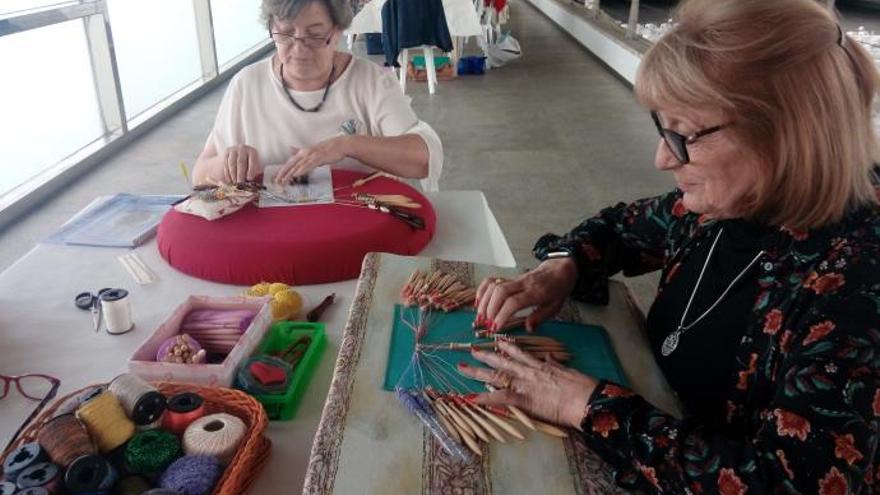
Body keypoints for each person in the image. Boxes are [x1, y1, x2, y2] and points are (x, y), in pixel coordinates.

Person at [460, 0, 880, 493]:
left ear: (784, 136)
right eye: (663, 130)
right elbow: (618, 229)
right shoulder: (723, 208)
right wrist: (562, 266)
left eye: (683, 136)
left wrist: (586, 405)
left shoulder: (857, 285)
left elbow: (784, 481)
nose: (662, 158)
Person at [192, 0, 443, 190]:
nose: (299, 48)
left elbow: (422, 159)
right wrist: (227, 163)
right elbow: (200, 175)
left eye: (314, 34)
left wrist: (347, 145)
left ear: (336, 31)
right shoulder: (247, 85)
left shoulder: (370, 82)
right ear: (271, 27)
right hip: (271, 238)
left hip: (356, 234)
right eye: (286, 33)